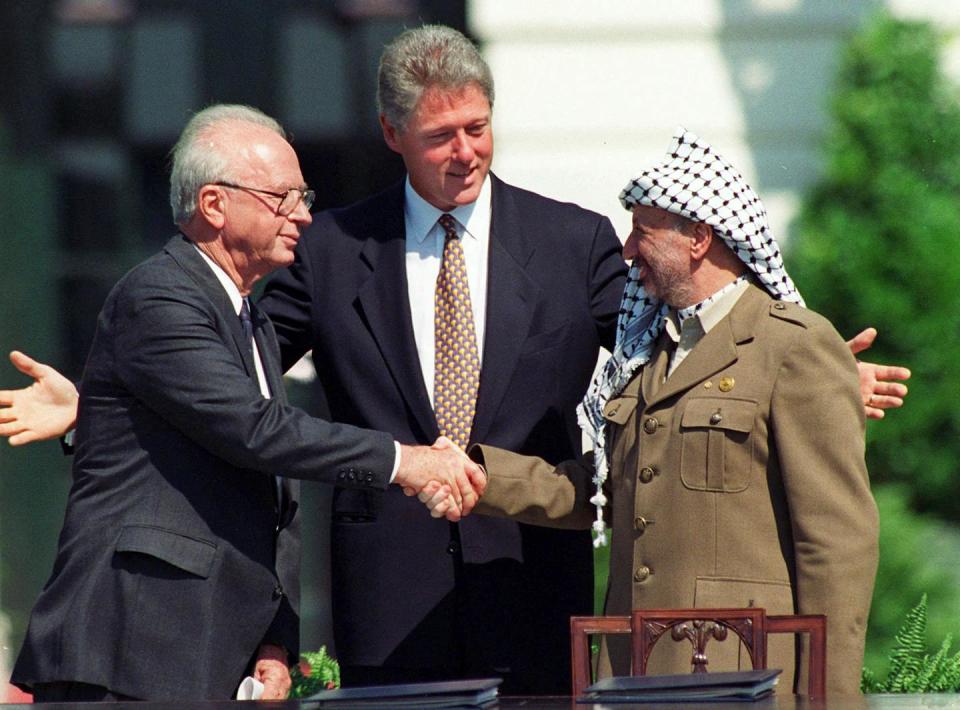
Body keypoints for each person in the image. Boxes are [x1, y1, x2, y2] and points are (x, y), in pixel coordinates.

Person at [1, 27, 908, 694]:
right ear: (394, 135)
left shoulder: (573, 239)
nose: (465, 151)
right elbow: (228, 384)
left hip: (535, 585)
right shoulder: (326, 247)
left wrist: (811, 374)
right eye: (440, 136)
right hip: (389, 603)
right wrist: (99, 403)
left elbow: (672, 351)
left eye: (477, 127)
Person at [6, 104, 483, 703]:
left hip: (205, 653)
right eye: (283, 197)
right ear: (214, 205)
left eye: (304, 196)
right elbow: (257, 431)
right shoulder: (159, 297)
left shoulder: (250, 316)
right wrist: (407, 462)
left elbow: (261, 486)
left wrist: (274, 642)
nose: (304, 215)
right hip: (131, 649)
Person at [424, 128, 881, 695]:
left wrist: (829, 696)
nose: (627, 251)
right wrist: (480, 475)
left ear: (698, 238)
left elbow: (837, 541)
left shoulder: (794, 346)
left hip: (743, 675)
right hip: (636, 669)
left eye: (642, 232)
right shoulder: (646, 352)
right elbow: (606, 491)